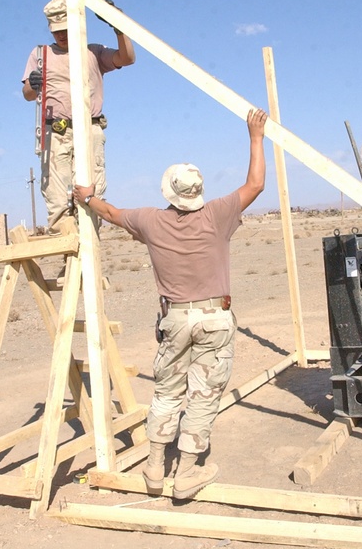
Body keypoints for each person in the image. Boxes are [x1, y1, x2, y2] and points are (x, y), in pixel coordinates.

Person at [73, 108, 268, 499]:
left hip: (174, 320)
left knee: (166, 394)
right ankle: (188, 474)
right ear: (197, 193)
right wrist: (255, 136)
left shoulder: (149, 221)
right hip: (214, 318)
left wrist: (88, 197)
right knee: (203, 395)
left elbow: (110, 212)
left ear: (168, 192)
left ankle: (154, 469)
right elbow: (256, 184)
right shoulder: (217, 214)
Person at [22, 0, 135, 232]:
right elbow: (27, 94)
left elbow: (127, 58)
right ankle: (71, 258)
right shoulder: (41, 54)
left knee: (92, 196)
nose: (61, 35)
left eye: (65, 28)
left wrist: (119, 27)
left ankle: (89, 257)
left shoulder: (93, 52)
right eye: (56, 31)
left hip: (90, 130)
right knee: (57, 199)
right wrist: (33, 84)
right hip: (56, 133)